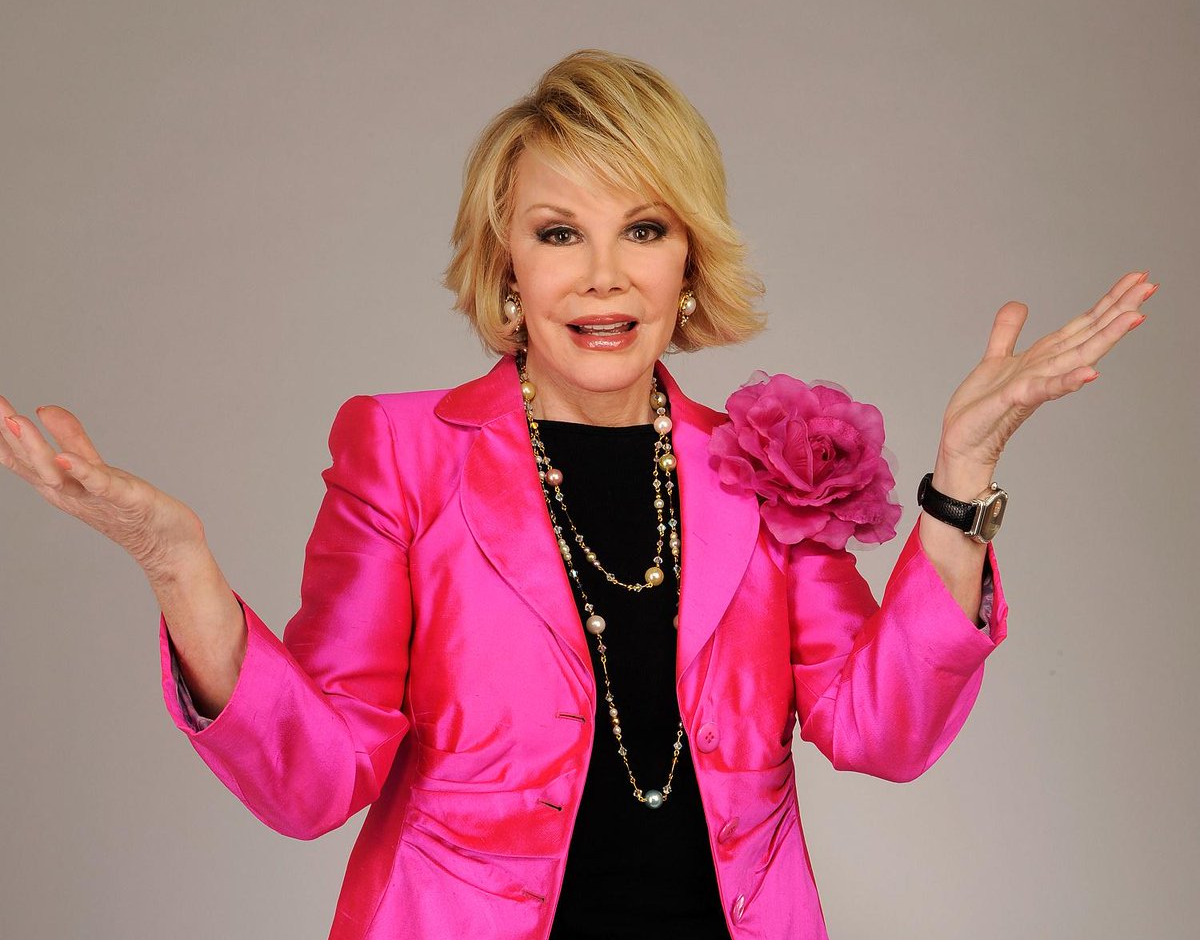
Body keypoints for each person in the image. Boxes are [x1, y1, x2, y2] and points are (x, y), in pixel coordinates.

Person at [0, 48, 1152, 940]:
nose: (604, 276)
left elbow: (882, 730)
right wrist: (180, 566)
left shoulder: (766, 463)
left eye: (643, 229)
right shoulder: (403, 451)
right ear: (508, 262)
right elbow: (314, 780)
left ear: (687, 260)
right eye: (560, 233)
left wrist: (961, 482)